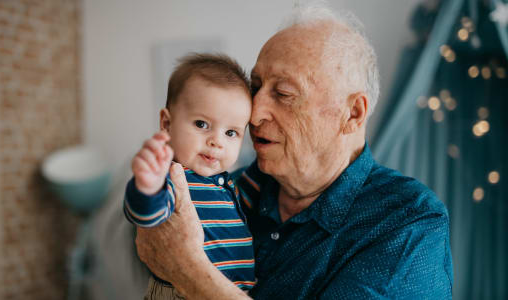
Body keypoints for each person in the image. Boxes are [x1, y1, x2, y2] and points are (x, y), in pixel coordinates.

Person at [134, 4, 453, 299]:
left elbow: (178, 262)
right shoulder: (231, 187)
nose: (254, 115)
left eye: (284, 94)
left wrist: (189, 271)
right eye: (255, 87)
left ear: (352, 114)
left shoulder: (408, 222)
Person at [124, 53, 256, 299]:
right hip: (179, 291)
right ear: (166, 124)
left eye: (231, 132)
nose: (216, 141)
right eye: (202, 124)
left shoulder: (226, 183)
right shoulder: (176, 178)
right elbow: (145, 217)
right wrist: (147, 187)